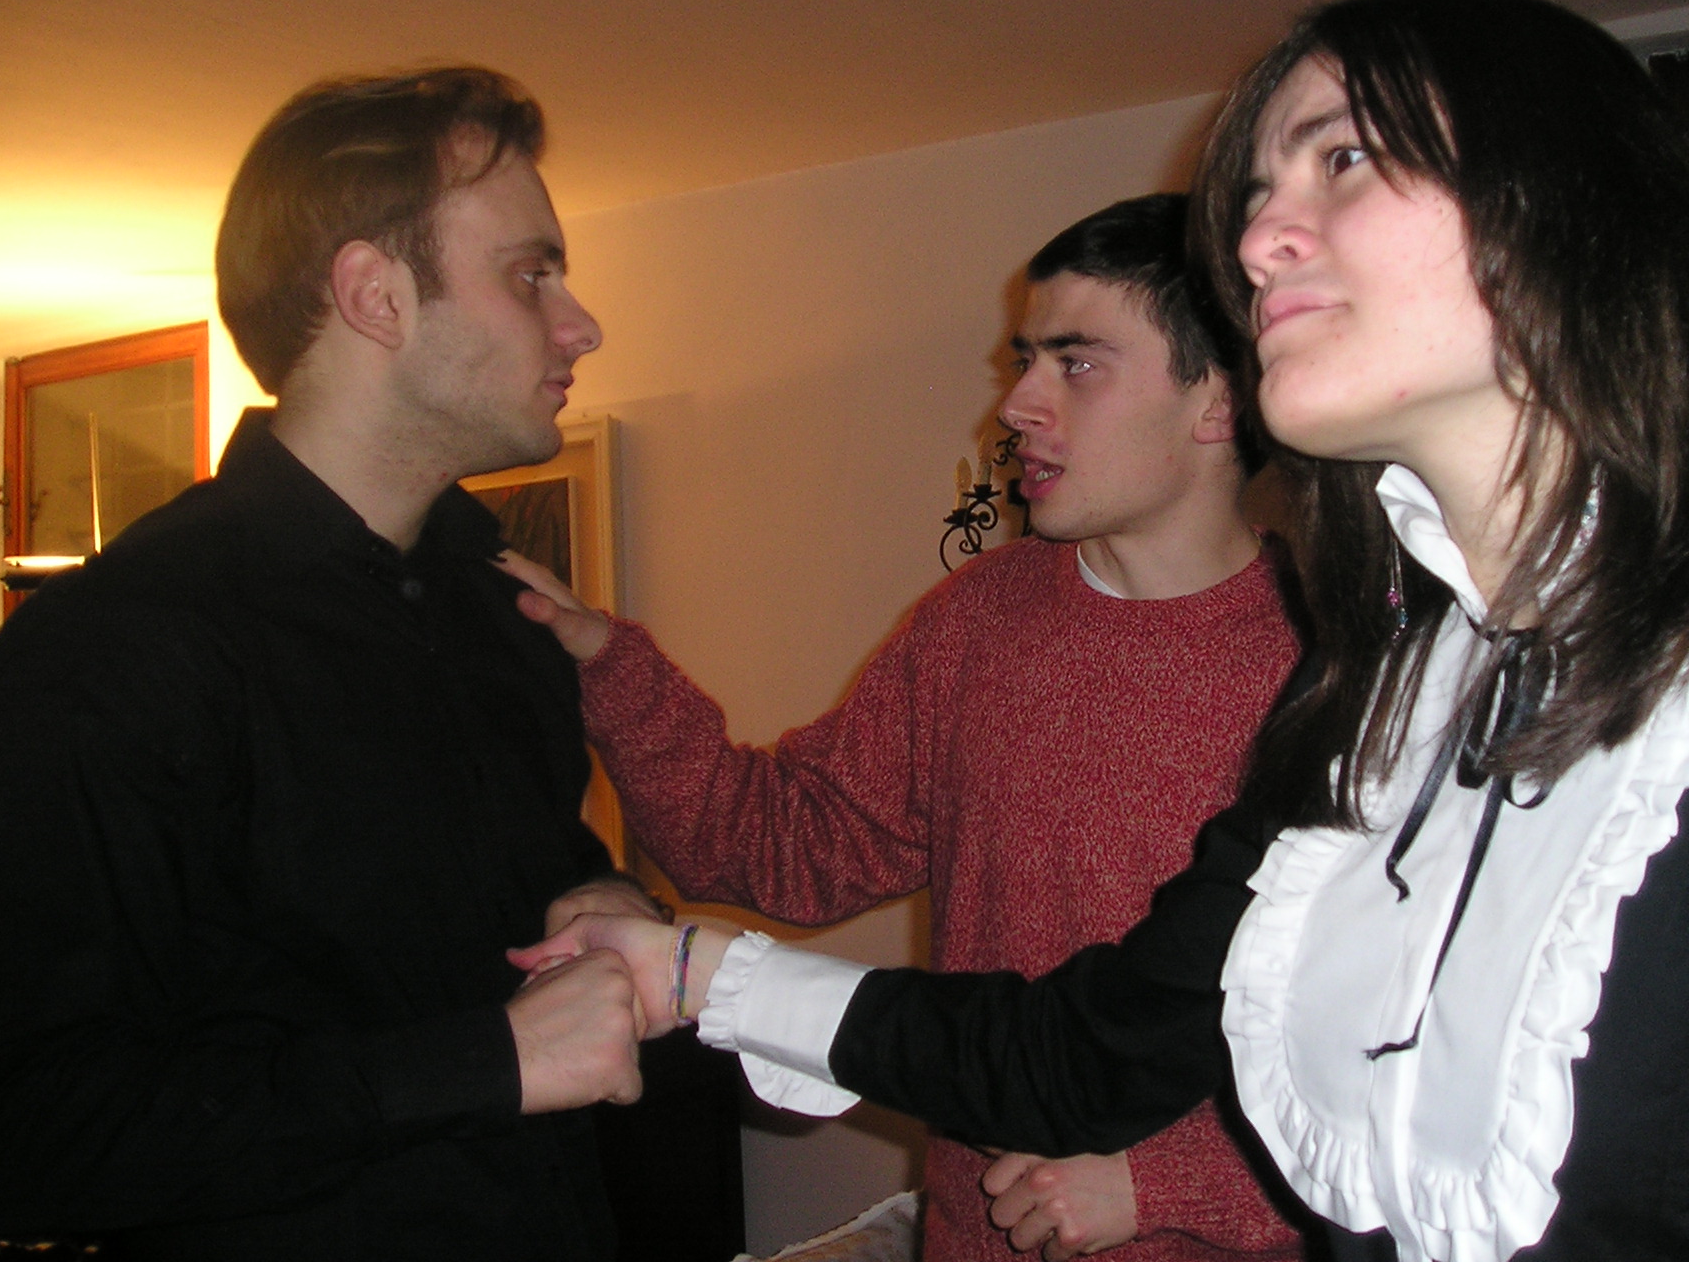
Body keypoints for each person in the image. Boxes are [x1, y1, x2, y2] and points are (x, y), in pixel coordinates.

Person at [522, 0, 1689, 1262]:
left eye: (1339, 157)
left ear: (1569, 206)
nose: (1260, 238)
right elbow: (1079, 1051)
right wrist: (692, 970)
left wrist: (1158, 1189)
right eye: (1257, 191)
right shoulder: (1376, 705)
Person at [0, 67, 663, 1259]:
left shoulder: (502, 616)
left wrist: (610, 903)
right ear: (375, 295)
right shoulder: (119, 644)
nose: (580, 325)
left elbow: (530, 881)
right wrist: (486, 1061)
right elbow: (20, 1142)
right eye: (531, 274)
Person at [506, 195, 1307, 1261]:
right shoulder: (979, 620)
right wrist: (607, 664)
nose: (1015, 404)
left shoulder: (1333, 669)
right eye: (1024, 360)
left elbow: (1415, 1061)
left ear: (1218, 401)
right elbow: (779, 844)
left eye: (1076, 364)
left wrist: (1169, 1182)